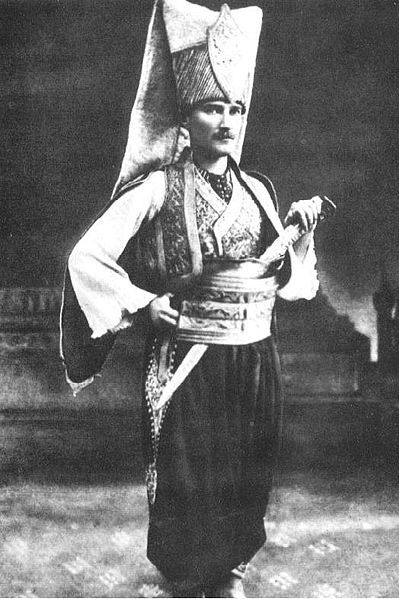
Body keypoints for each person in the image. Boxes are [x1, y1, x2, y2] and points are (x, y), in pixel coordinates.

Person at [60, 1, 324, 597]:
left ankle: (230, 568)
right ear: (186, 116)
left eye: (235, 109)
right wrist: (141, 303)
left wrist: (300, 237)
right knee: (190, 470)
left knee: (246, 467)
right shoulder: (157, 188)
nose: (226, 121)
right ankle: (187, 574)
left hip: (253, 354)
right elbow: (86, 257)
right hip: (186, 355)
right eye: (212, 107)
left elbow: (286, 282)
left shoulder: (258, 193)